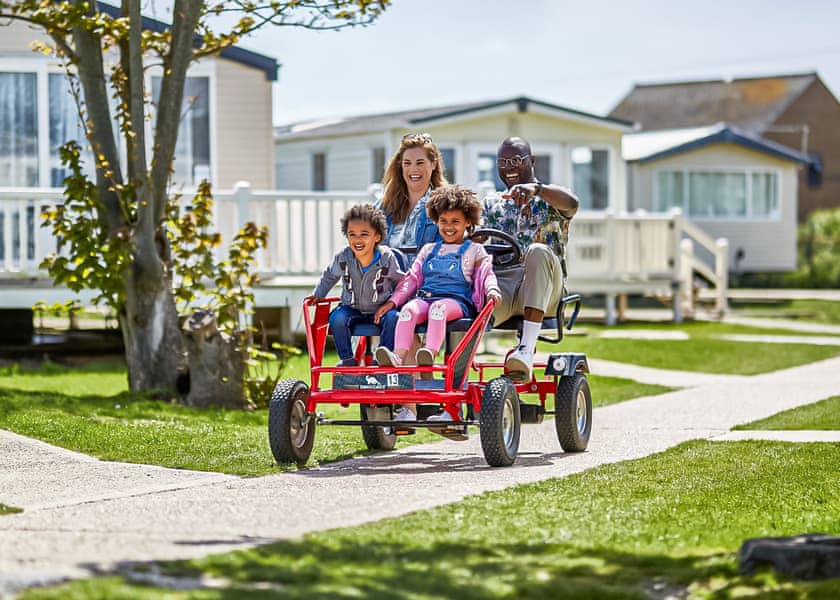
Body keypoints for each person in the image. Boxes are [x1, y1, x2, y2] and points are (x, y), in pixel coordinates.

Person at [374, 185, 501, 422]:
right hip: (426, 297)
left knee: (438, 310)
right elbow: (412, 279)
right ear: (436, 221)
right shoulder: (429, 250)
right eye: (443, 221)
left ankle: (429, 354)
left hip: (456, 302)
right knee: (409, 311)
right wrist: (393, 302)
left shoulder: (474, 249)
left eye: (455, 221)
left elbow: (487, 273)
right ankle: (398, 357)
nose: (449, 226)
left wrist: (492, 290)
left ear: (468, 224)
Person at [482, 136, 580, 381]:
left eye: (515, 160)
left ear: (532, 161)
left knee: (537, 251)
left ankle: (525, 349)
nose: (509, 168)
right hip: (504, 286)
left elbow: (572, 203)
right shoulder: (491, 203)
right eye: (502, 162)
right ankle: (449, 383)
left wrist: (537, 189)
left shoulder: (549, 200)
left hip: (544, 288)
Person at [310, 204, 404, 367]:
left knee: (394, 318)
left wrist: (393, 303)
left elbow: (401, 282)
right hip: (351, 307)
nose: (357, 240)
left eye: (364, 234)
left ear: (377, 237)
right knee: (337, 318)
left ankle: (383, 358)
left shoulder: (386, 258)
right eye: (352, 234)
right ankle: (347, 360)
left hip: (381, 308)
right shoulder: (344, 257)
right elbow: (330, 275)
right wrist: (319, 293)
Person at [378, 132, 447, 256]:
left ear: (433, 164)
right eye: (407, 163)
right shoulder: (384, 206)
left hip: (426, 274)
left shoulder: (446, 205)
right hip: (386, 275)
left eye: (420, 163)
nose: (413, 169)